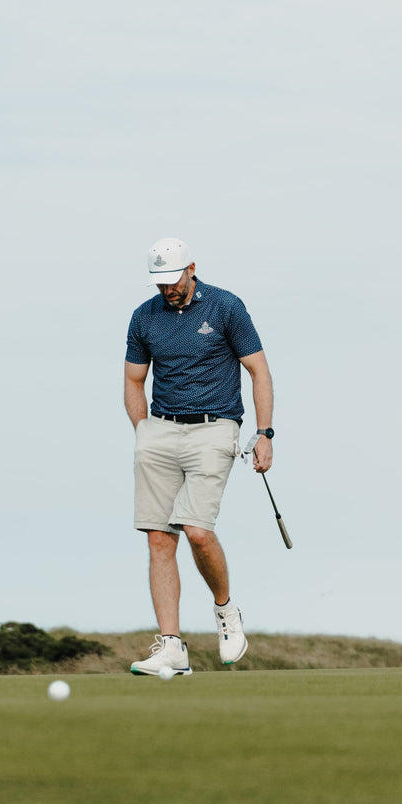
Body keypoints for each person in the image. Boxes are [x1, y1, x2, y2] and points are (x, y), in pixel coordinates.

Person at [124, 238, 275, 676]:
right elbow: (134, 381)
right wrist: (143, 431)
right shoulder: (143, 317)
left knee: (197, 531)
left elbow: (258, 371)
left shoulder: (226, 307)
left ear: (191, 268)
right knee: (158, 537)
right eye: (160, 283)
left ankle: (226, 613)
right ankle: (171, 647)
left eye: (172, 280)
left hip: (215, 427)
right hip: (160, 430)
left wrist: (264, 433)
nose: (167, 289)